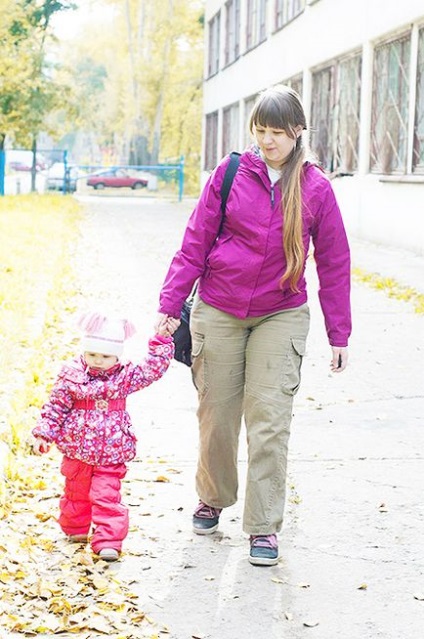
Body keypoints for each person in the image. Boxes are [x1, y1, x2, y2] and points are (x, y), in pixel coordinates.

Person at [156, 85, 351, 566]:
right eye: (260, 131)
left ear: (298, 132)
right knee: (217, 415)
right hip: (219, 306)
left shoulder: (315, 188)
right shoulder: (229, 174)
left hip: (281, 311)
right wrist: (170, 301)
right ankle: (213, 496)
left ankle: (263, 527)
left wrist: (339, 333)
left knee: (269, 421)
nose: (266, 141)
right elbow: (195, 240)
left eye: (276, 133)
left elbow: (334, 261)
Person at [32, 311, 178, 562]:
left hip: (111, 450)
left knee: (106, 495)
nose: (98, 361)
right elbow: (55, 406)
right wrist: (44, 434)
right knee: (76, 491)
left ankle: (108, 539)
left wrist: (161, 341)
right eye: (92, 354)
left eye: (105, 356)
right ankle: (75, 528)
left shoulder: (124, 377)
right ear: (84, 351)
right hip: (76, 449)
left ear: (117, 355)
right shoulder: (71, 376)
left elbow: (153, 369)